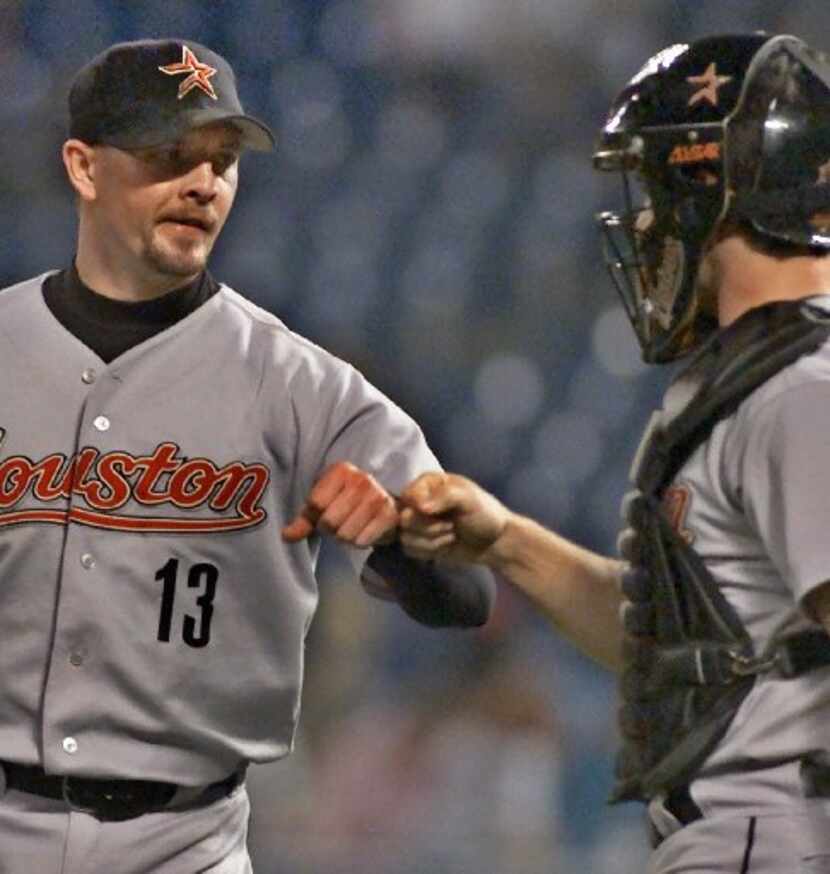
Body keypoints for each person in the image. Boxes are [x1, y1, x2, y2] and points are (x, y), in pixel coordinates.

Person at [0, 39, 494, 873]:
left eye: (223, 161)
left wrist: (403, 546)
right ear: (84, 168)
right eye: (170, 156)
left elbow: (467, 595)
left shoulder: (302, 385)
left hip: (183, 843)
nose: (204, 183)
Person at [399, 32, 830, 873]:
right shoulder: (765, 381)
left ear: (720, 187)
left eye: (661, 184)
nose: (645, 220)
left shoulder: (800, 392)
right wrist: (505, 541)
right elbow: (678, 645)